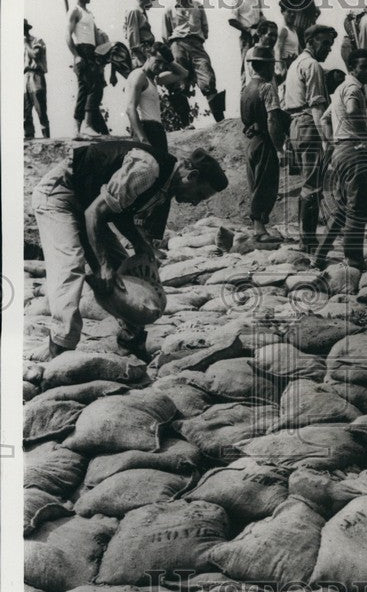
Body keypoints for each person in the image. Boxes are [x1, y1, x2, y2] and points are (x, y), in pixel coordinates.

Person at [31, 141, 228, 361]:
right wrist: (103, 266)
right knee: (70, 266)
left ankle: (131, 342)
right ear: (191, 177)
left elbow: (119, 210)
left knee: (126, 270)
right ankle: (60, 348)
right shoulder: (146, 170)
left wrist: (140, 244)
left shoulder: (165, 185)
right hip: (59, 195)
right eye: (199, 195)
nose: (194, 203)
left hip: (87, 203)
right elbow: (94, 214)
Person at [312, 49, 367, 270]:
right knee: (357, 206)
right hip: (353, 150)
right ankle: (354, 259)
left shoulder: (340, 87)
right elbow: (351, 110)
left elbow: (324, 118)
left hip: (340, 149)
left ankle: (320, 255)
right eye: (364, 67)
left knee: (342, 206)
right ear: (352, 68)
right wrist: (364, 141)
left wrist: (329, 142)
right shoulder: (353, 87)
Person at [282, 23, 337, 251]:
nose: (329, 49)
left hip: (296, 125)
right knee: (313, 185)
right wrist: (327, 139)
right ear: (311, 42)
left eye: (331, 44)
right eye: (325, 43)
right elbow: (317, 105)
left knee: (308, 184)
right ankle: (309, 240)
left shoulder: (295, 64)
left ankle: (307, 238)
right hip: (308, 124)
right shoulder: (312, 65)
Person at [163, 0, 225, 123]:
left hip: (196, 45)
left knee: (207, 78)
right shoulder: (169, 10)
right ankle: (185, 123)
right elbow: (166, 35)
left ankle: (221, 121)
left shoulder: (197, 6)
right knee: (179, 83)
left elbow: (205, 29)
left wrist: (196, 41)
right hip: (178, 45)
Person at [240, 45, 286, 244]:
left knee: (255, 182)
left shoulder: (246, 88)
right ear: (266, 67)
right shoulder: (267, 87)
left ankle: (257, 228)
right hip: (264, 140)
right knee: (265, 183)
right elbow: (272, 120)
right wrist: (279, 148)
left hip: (251, 141)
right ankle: (259, 228)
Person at [126, 42, 187, 156]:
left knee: (163, 169)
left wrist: (169, 61)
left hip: (158, 130)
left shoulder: (154, 79)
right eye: (158, 62)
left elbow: (184, 73)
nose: (161, 67)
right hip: (145, 128)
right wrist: (143, 140)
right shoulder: (139, 75)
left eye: (164, 64)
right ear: (148, 56)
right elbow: (130, 109)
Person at [66, 0, 109, 136]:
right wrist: (76, 55)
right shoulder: (75, 11)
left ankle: (78, 129)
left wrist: (104, 46)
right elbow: (67, 35)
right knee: (94, 87)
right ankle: (87, 125)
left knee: (86, 89)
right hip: (82, 50)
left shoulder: (88, 13)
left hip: (91, 51)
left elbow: (96, 36)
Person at [228, 0, 265, 73]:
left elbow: (260, 14)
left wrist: (265, 25)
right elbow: (232, 20)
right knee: (247, 64)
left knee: (261, 63)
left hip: (259, 33)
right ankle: (244, 89)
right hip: (247, 35)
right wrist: (249, 30)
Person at [24, 19, 50, 139]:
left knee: (41, 110)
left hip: (36, 76)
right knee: (25, 111)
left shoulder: (36, 40)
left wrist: (25, 44)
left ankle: (46, 139)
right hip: (25, 77)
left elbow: (35, 54)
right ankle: (29, 138)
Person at [124, 0, 156, 66]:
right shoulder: (134, 11)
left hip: (146, 50)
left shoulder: (141, 12)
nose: (152, 1)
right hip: (140, 53)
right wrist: (141, 56)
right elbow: (133, 37)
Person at [275, 0, 300, 81]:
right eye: (289, 12)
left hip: (293, 67)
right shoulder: (284, 30)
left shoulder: (294, 31)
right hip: (285, 67)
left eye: (294, 12)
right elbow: (278, 50)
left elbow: (298, 50)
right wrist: (281, 69)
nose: (292, 14)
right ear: (283, 12)